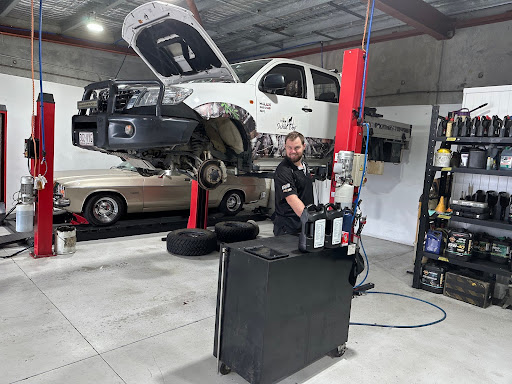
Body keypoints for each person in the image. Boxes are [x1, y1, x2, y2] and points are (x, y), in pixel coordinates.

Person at [273, 131, 314, 236]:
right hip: (288, 228)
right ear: (285, 147)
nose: (292, 151)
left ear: (304, 146)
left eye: (296, 148)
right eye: (289, 148)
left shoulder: (304, 166)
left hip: (302, 224)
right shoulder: (283, 170)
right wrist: (310, 221)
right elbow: (292, 199)